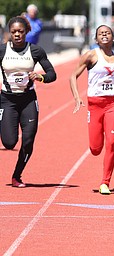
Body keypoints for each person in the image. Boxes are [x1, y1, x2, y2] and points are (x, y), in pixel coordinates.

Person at [69, 25, 114, 195]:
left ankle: (105, 182)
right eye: (101, 33)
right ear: (96, 39)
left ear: (113, 38)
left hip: (113, 104)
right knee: (95, 149)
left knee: (112, 141)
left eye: (107, 32)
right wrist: (77, 98)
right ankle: (98, 150)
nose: (104, 34)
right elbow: (73, 76)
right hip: (95, 105)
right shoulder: (91, 56)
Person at [0, 16, 57, 187]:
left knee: (28, 140)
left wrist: (40, 76)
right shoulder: (2, 51)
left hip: (28, 100)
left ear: (26, 32)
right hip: (7, 100)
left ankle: (17, 176)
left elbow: (52, 74)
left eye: (20, 31)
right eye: (13, 32)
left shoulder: (35, 51)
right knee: (9, 143)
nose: (17, 35)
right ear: (9, 33)